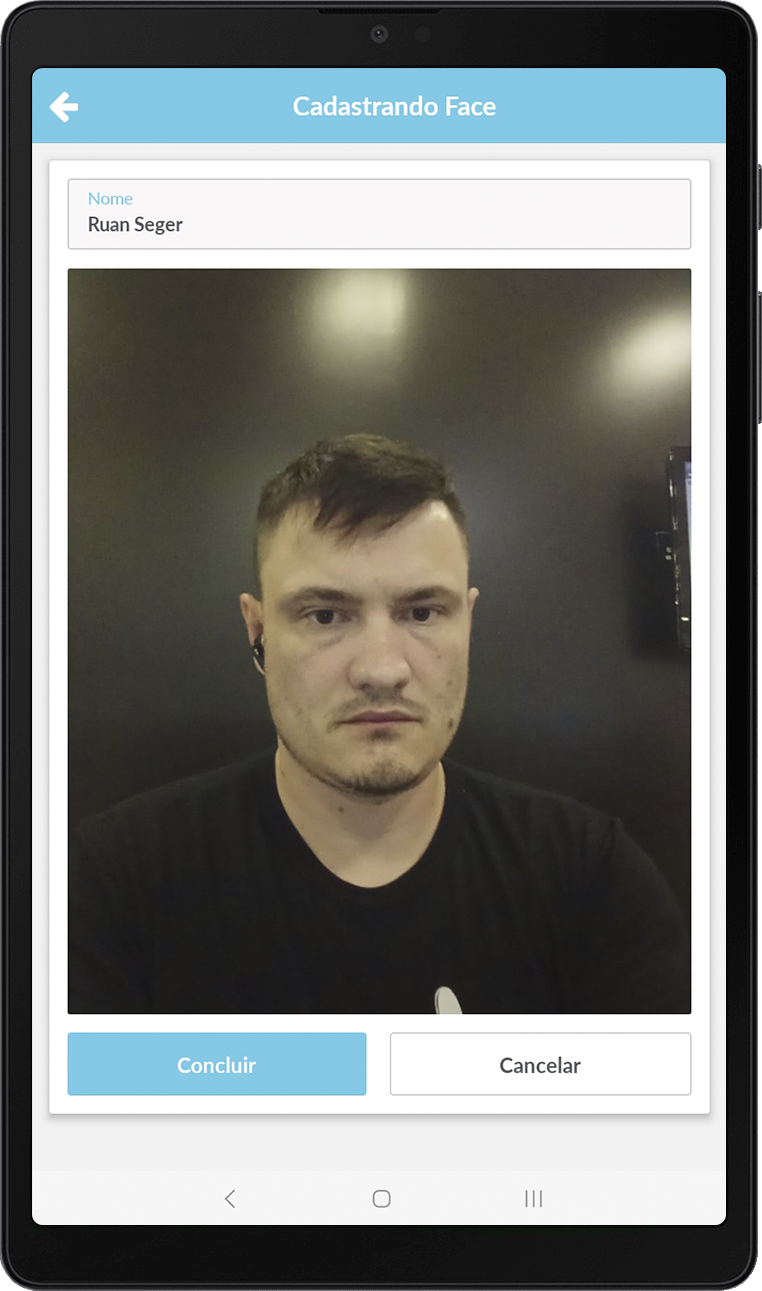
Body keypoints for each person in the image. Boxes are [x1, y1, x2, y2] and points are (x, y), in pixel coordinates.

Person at [68, 434, 690, 1014]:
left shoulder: (591, 880)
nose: (382, 670)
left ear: (468, 622)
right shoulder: (113, 886)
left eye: (422, 612)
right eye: (324, 616)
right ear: (258, 632)